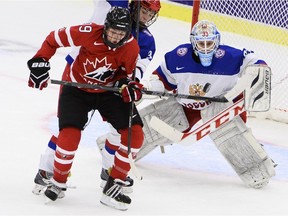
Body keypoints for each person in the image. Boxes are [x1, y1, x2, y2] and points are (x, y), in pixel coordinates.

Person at [32, 0, 161, 196]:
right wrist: (40, 59)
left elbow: (136, 69)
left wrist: (130, 83)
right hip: (78, 75)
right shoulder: (113, 6)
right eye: (144, 10)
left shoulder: (145, 41)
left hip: (112, 85)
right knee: (69, 128)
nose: (146, 16)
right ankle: (47, 170)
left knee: (123, 130)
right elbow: (54, 39)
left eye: (150, 13)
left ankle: (111, 172)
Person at [135, 20, 276, 189]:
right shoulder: (177, 56)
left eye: (209, 43)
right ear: (193, 42)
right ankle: (120, 148)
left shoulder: (231, 57)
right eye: (201, 43)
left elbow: (255, 62)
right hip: (187, 105)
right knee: (161, 125)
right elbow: (162, 81)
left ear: (217, 42)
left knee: (227, 126)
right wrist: (148, 89)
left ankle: (254, 161)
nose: (206, 48)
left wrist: (258, 69)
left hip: (222, 102)